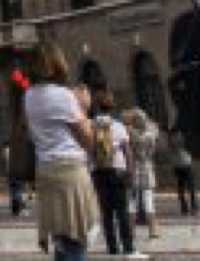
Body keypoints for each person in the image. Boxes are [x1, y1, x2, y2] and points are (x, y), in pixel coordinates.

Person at [22, 43, 95, 261]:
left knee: (62, 243)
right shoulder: (64, 96)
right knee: (76, 242)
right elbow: (88, 139)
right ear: (57, 63)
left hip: (45, 171)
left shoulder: (28, 96)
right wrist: (83, 107)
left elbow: (29, 133)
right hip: (69, 171)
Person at [87, 91, 137, 257]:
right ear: (111, 107)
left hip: (99, 172)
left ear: (97, 107)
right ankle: (128, 246)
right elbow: (127, 151)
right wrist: (131, 172)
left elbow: (87, 151)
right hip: (118, 171)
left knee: (106, 213)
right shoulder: (118, 126)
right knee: (122, 212)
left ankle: (112, 247)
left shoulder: (90, 126)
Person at [125, 108, 162, 244]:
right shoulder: (150, 134)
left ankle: (131, 230)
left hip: (133, 168)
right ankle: (153, 230)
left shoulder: (129, 133)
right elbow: (153, 151)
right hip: (146, 167)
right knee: (148, 200)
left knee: (132, 201)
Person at [165, 131, 196, 217]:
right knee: (191, 187)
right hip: (186, 163)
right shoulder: (184, 136)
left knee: (181, 186)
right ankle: (194, 207)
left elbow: (170, 149)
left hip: (176, 164)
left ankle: (184, 207)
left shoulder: (171, 137)